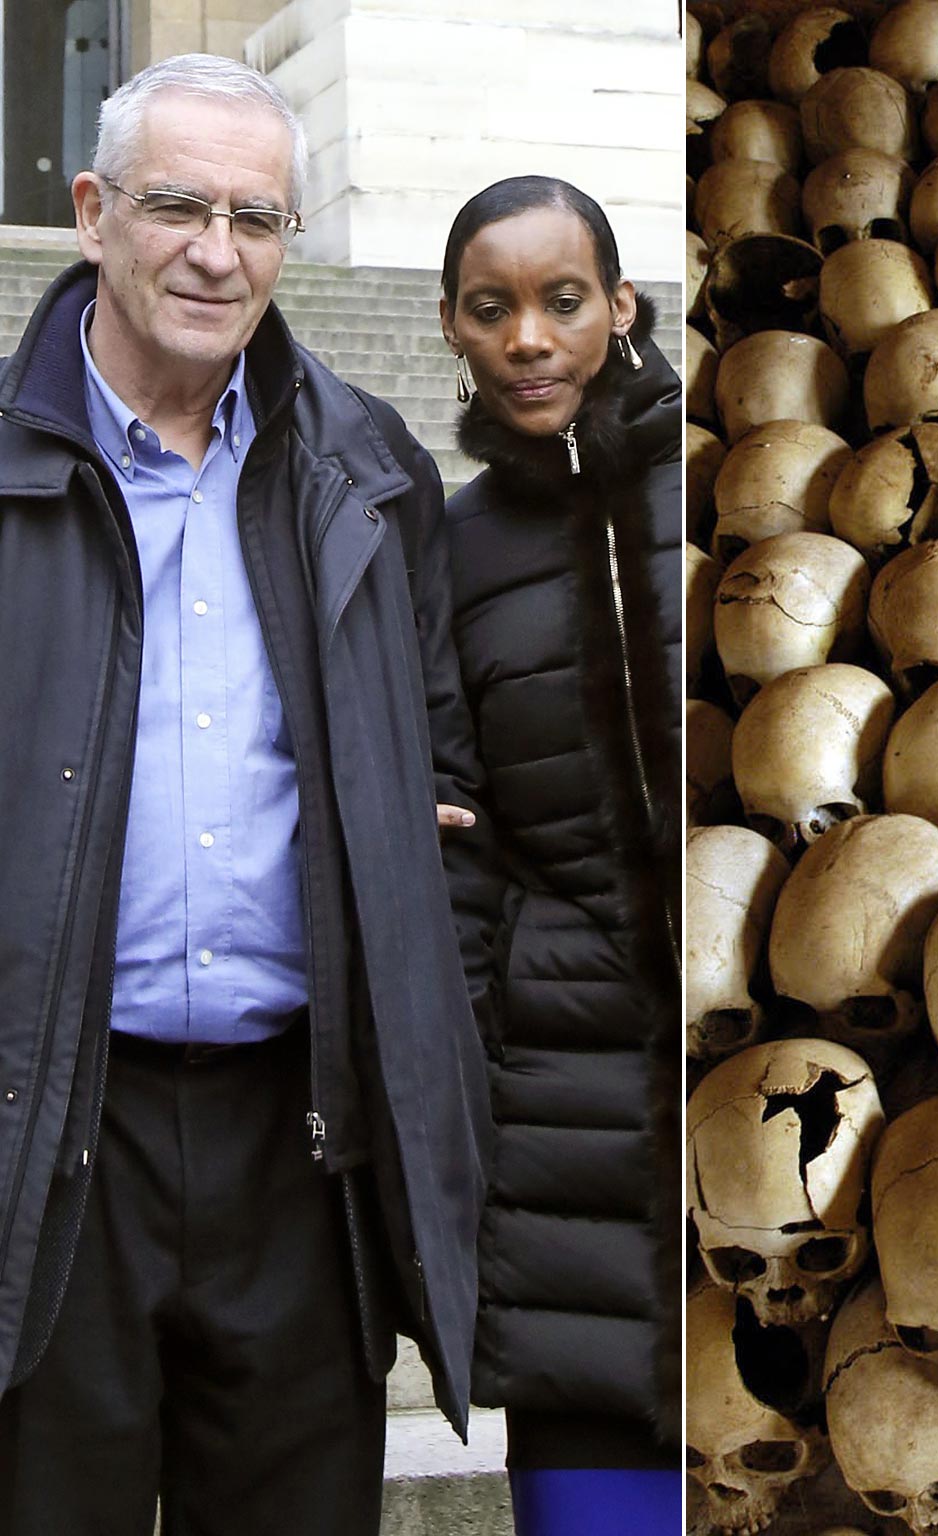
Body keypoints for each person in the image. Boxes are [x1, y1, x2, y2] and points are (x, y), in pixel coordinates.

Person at [0, 53, 493, 1535]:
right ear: (92, 213)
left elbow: (445, 765)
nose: (218, 252)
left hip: (304, 1134)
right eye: (176, 206)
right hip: (60, 1137)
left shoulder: (370, 469)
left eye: (257, 218)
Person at [436, 176, 682, 1534]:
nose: (529, 336)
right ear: (456, 331)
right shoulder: (450, 547)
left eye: (562, 300)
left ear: (620, 307)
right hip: (563, 1145)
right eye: (493, 309)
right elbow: (457, 832)